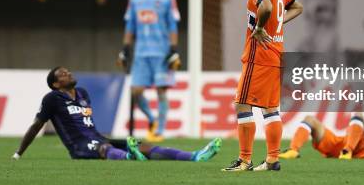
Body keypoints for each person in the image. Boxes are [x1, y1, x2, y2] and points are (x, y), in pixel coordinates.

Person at [12, 67, 221, 161]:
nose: (69, 74)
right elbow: (36, 125)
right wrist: (19, 152)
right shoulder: (52, 99)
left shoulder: (82, 93)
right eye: (63, 75)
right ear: (56, 84)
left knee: (143, 145)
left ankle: (194, 156)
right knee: (104, 148)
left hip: (98, 137)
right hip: (80, 147)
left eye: (68, 71)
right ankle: (129, 157)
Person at [222, 0, 303, 172]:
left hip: (258, 55)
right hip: (276, 54)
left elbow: (265, 7)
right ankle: (272, 160)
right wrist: (279, 22)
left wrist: (259, 27)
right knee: (270, 109)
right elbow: (298, 6)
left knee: (241, 103)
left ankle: (245, 160)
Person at [117, 0, 181, 142]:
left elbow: (172, 25)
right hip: (141, 53)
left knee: (161, 91)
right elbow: (130, 24)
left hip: (161, 53)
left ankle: (159, 131)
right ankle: (152, 120)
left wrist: (174, 49)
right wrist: (125, 48)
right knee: (136, 91)